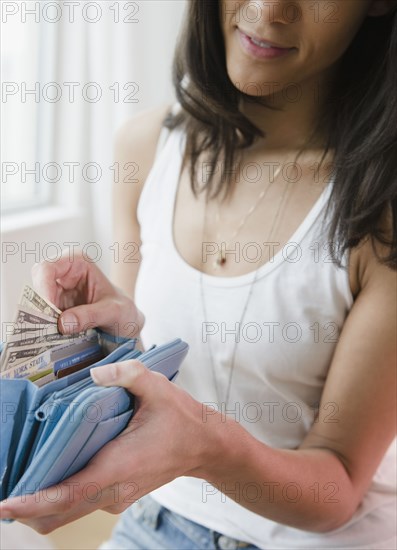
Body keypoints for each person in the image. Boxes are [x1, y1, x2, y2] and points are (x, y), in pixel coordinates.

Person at [1, 1, 396, 548]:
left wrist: (208, 447)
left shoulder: (380, 210)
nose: (267, 9)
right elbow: (153, 388)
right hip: (154, 524)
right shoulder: (144, 148)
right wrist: (111, 341)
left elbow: (341, 485)